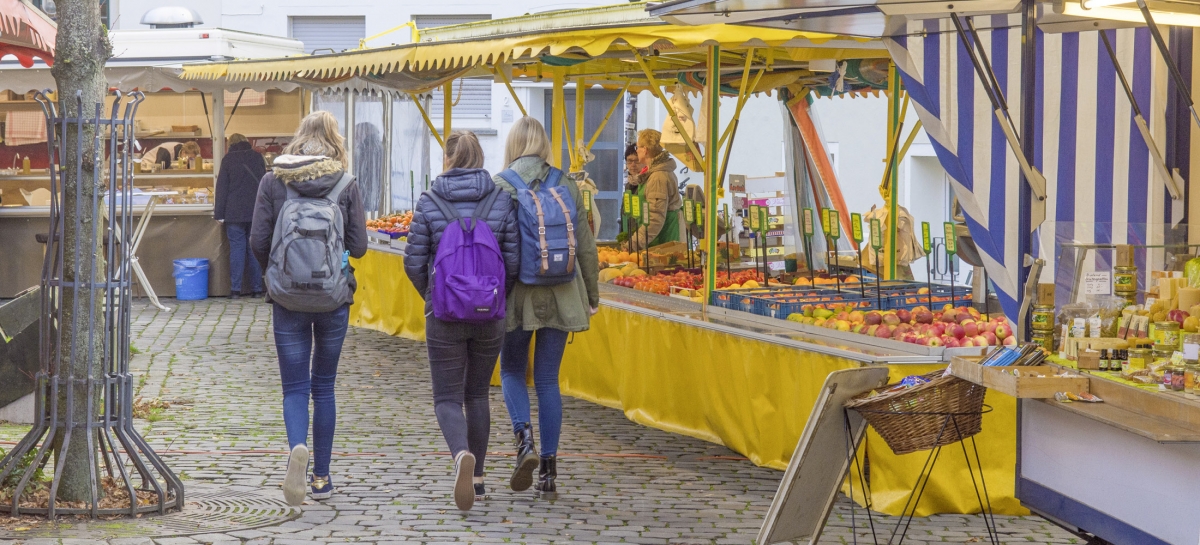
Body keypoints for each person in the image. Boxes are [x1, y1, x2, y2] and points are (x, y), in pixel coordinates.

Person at [250, 111, 367, 506]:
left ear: (298, 140)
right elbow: (360, 246)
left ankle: (297, 447)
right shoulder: (346, 184)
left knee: (295, 386)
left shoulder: (273, 181)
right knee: (325, 385)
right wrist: (337, 260)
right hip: (333, 299)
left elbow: (257, 240)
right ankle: (321, 477)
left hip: (286, 299)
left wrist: (277, 272)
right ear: (336, 142)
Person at [403, 130, 520, 511]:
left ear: (448, 159)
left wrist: (434, 295)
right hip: (490, 314)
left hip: (445, 315)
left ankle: (459, 457)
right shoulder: (502, 199)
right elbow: (514, 262)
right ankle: (481, 479)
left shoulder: (430, 200)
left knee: (447, 397)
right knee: (477, 394)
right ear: (480, 157)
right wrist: (495, 296)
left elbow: (413, 261)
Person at [493, 117, 600, 496]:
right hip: (563, 291)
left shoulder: (501, 184)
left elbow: (495, 248)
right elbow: (586, 246)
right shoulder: (566, 183)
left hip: (518, 294)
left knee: (510, 371)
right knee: (548, 380)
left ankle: (524, 441)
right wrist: (592, 296)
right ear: (544, 145)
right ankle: (550, 472)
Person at [214, 133, 267, 298]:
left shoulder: (228, 160)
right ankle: (257, 289)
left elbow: (222, 188)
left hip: (234, 212)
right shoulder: (258, 158)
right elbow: (265, 183)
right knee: (253, 249)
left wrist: (219, 214)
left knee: (237, 249)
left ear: (230, 144)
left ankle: (235, 290)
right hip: (255, 211)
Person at [627, 129, 684, 252]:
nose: (636, 151)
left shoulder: (658, 177)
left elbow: (655, 218)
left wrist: (634, 243)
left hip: (665, 241)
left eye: (638, 147)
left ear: (645, 150)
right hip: (657, 239)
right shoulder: (654, 173)